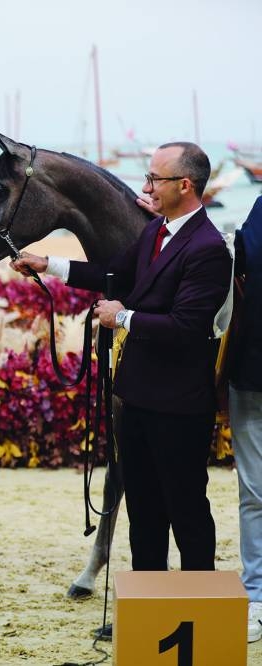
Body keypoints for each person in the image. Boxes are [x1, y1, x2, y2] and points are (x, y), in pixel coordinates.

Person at [12, 142, 231, 574]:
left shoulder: (207, 247)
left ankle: (195, 603)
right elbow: (112, 274)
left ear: (184, 185)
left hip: (179, 406)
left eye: (155, 178)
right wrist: (48, 263)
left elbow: (186, 328)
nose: (146, 186)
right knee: (144, 513)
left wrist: (123, 316)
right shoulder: (155, 231)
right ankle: (148, 610)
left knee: (185, 510)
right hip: (137, 399)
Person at [228, 194, 262, 642]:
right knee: (253, 492)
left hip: (249, 370)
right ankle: (255, 596)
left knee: (254, 493)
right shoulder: (258, 209)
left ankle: (256, 595)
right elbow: (232, 258)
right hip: (250, 373)